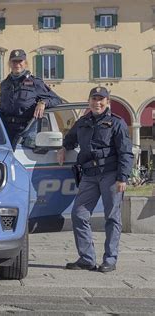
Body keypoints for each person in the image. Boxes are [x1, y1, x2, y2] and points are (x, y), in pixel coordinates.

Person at [57, 86, 133, 273]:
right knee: (78, 214)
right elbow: (71, 138)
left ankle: (110, 259)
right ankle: (86, 258)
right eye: (94, 99)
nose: (97, 102)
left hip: (111, 175)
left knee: (112, 218)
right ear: (89, 101)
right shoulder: (82, 122)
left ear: (108, 102)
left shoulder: (117, 123)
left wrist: (122, 177)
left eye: (101, 99)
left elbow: (125, 152)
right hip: (89, 175)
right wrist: (64, 148)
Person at [0, 49, 62, 147]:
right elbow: (1, 108)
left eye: (20, 61)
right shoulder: (4, 84)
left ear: (26, 63)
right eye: (14, 61)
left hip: (27, 131)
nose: (17, 64)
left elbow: (57, 100)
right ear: (9, 63)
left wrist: (43, 102)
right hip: (6, 131)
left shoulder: (35, 83)